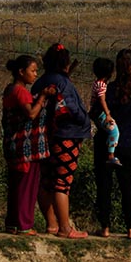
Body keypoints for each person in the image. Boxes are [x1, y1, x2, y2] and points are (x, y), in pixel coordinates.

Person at [32, 43, 91, 239]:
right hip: (66, 135)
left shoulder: (40, 82)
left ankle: (51, 224)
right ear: (65, 64)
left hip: (45, 136)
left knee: (46, 180)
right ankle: (65, 228)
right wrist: (85, 121)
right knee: (62, 182)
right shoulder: (63, 83)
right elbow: (72, 109)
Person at [97, 48, 131, 239]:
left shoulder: (108, 90)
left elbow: (97, 113)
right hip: (128, 141)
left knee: (105, 186)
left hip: (107, 142)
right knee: (128, 186)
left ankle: (105, 227)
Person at [2, 55, 55, 235]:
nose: (35, 74)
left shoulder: (10, 90)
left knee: (16, 185)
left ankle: (12, 223)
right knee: (27, 186)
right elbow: (31, 114)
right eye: (32, 71)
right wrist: (42, 97)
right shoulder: (20, 92)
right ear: (21, 72)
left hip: (13, 145)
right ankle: (24, 224)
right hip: (25, 147)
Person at [89, 57, 121, 167]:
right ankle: (111, 155)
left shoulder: (96, 83)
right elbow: (102, 100)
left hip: (95, 112)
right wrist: (108, 114)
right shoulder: (102, 85)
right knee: (114, 131)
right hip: (100, 112)